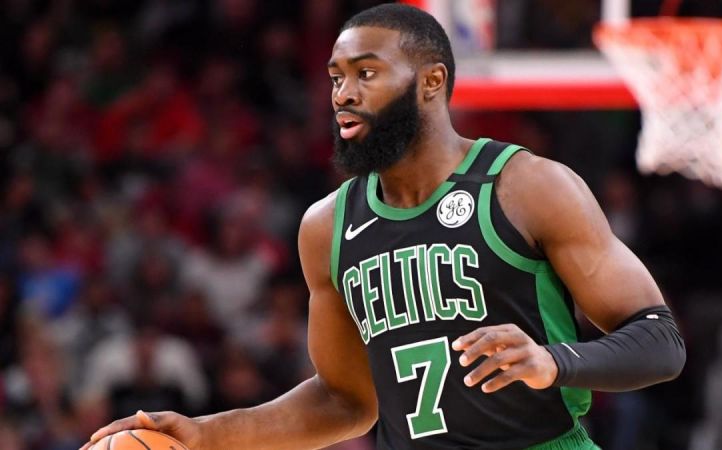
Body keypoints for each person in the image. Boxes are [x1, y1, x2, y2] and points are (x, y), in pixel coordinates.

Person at [82, 4, 685, 450]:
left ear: (431, 82)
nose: (343, 94)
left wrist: (556, 361)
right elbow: (344, 400)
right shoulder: (327, 226)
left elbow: (660, 341)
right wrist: (207, 434)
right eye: (336, 77)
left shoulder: (526, 186)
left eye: (366, 73)